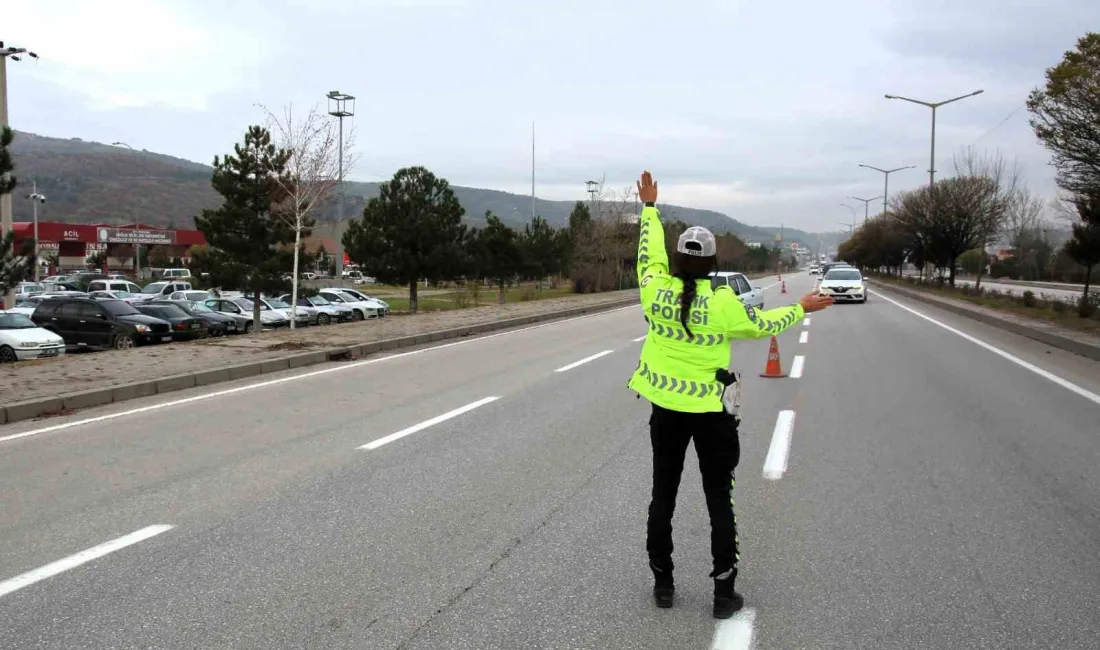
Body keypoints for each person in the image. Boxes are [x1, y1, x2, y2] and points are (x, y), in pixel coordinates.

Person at [628, 170, 833, 619]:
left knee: (663, 494)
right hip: (710, 414)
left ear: (678, 260)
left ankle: (663, 585)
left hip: (665, 412)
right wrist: (802, 306)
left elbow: (646, 255)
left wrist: (649, 208)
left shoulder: (654, 290)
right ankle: (724, 594)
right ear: (714, 263)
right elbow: (765, 326)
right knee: (718, 496)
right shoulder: (723, 304)